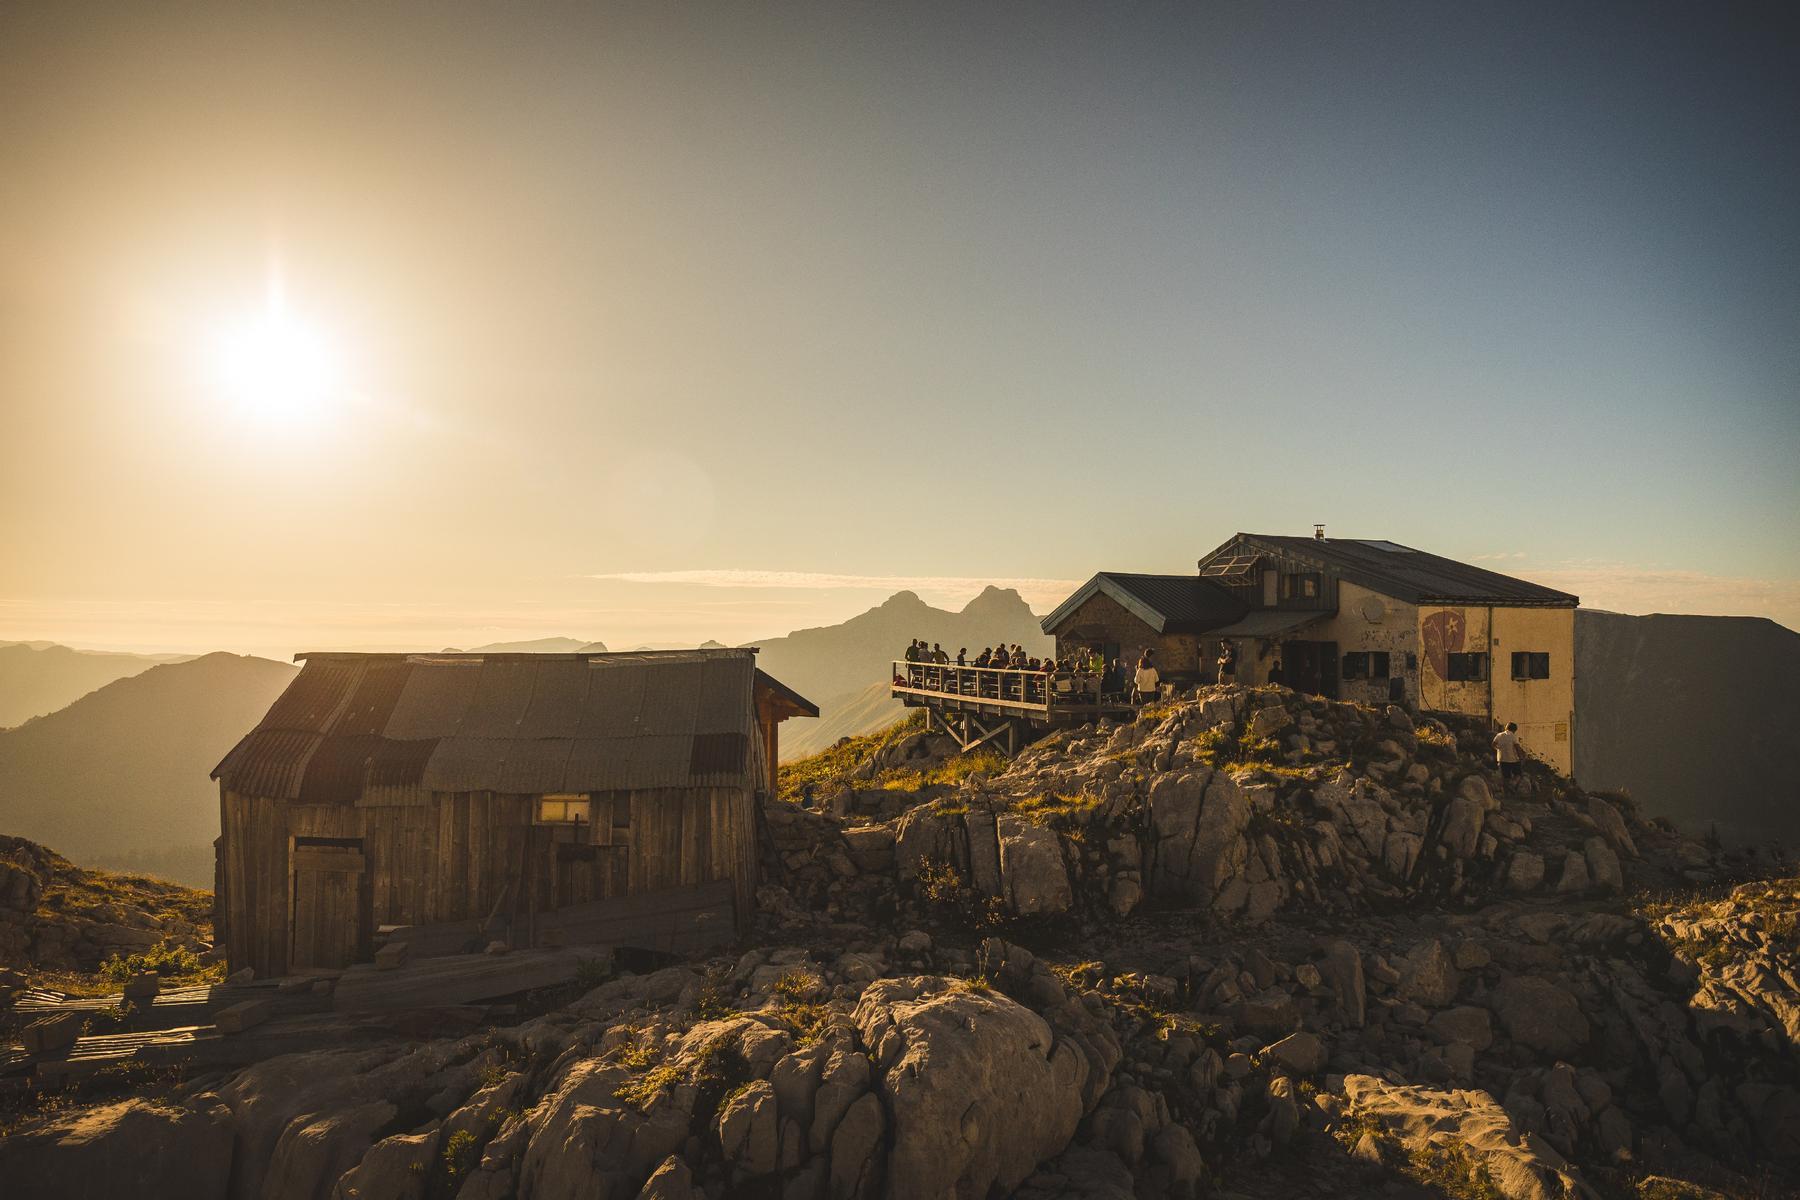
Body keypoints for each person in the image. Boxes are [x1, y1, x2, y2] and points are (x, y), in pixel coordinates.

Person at [1493, 722, 1523, 792]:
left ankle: (1506, 791)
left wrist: (1499, 749)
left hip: (1502, 759)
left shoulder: (1499, 735)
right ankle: (1512, 785)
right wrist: (1521, 757)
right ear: (1514, 730)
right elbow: (1517, 747)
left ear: (1506, 728)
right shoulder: (1512, 736)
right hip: (1513, 759)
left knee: (1506, 777)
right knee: (1518, 774)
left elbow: (1493, 744)